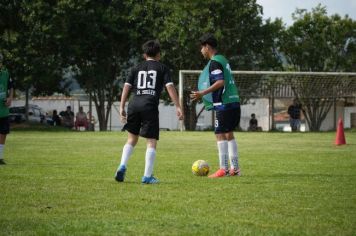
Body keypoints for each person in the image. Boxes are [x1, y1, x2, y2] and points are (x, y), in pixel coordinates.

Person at [115, 39, 183, 184]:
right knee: (151, 141)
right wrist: (178, 106)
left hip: (134, 104)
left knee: (131, 139)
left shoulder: (135, 68)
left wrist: (122, 107)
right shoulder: (162, 68)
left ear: (144, 54)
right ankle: (147, 176)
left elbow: (126, 87)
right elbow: (170, 87)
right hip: (149, 105)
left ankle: (122, 165)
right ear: (159, 54)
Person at [191, 33, 241, 178]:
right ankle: (235, 168)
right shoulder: (223, 59)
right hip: (234, 101)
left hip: (224, 103)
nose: (201, 51)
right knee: (229, 133)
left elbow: (220, 82)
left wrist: (202, 93)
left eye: (202, 47)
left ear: (207, 47)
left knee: (219, 134)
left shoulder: (214, 62)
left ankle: (223, 169)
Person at [0, 53, 14, 165]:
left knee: (3, 133)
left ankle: (0, 157)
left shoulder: (5, 73)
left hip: (3, 110)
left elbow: (11, 87)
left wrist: (10, 98)